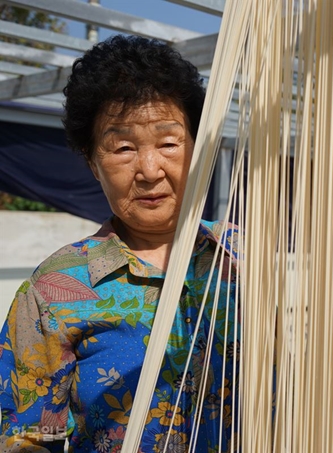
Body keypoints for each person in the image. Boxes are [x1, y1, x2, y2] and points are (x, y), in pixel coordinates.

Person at [0, 35, 240, 452]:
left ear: (199, 150)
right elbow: (27, 437)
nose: (149, 170)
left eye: (168, 143)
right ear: (93, 163)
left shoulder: (243, 255)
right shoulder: (57, 287)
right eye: (123, 147)